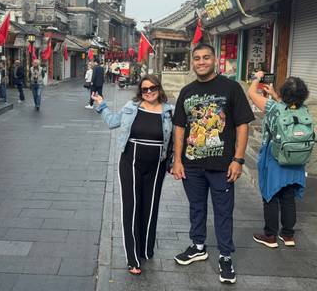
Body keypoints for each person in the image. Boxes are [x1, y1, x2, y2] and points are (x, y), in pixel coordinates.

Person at [172, 43, 255, 285]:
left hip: (222, 165)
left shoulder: (231, 88)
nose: (201, 62)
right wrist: (178, 160)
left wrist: (238, 159)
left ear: (215, 60)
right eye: (197, 58)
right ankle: (198, 246)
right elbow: (179, 127)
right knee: (196, 207)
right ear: (192, 62)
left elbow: (242, 125)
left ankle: (226, 256)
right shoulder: (186, 92)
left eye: (206, 57)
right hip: (192, 165)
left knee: (223, 212)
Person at [91, 74, 174, 275]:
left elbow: (176, 137)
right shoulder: (132, 107)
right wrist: (101, 105)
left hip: (157, 165)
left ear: (159, 88)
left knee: (151, 207)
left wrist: (175, 160)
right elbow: (112, 122)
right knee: (131, 207)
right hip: (131, 162)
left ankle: (146, 248)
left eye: (152, 88)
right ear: (140, 91)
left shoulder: (169, 111)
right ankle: (132, 258)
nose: (149, 92)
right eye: (144, 89)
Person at [247, 71, 309, 248]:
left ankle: (270, 236)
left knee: (271, 195)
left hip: (275, 156)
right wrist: (275, 95)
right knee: (288, 196)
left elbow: (251, 94)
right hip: (296, 158)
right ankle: (288, 235)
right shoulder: (303, 109)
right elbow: (288, 107)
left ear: (284, 92)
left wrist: (257, 78)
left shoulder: (273, 107)